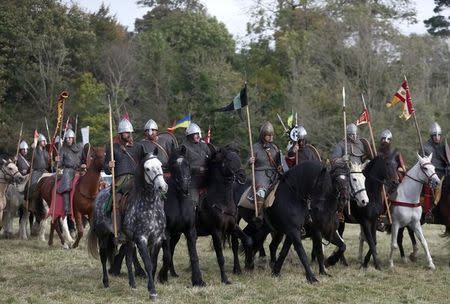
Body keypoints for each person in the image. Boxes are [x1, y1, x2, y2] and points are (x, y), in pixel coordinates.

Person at [104, 117, 137, 242]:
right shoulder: (113, 148)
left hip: (135, 179)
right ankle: (117, 231)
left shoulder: (136, 147)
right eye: (126, 133)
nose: (128, 135)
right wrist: (109, 166)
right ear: (120, 134)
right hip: (120, 180)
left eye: (130, 133)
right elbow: (106, 169)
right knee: (116, 203)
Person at [248, 121, 282, 222]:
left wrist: (280, 166)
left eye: (272, 135)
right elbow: (248, 162)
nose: (271, 137)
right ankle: (259, 215)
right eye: (268, 135)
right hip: (260, 173)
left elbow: (279, 162)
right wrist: (250, 161)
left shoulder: (275, 147)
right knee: (261, 191)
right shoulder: (255, 147)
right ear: (263, 135)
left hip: (274, 174)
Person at [376, 129, 406, 231]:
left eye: (388, 139)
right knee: (381, 196)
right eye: (384, 138)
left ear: (390, 141)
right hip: (383, 181)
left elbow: (403, 167)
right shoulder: (377, 153)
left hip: (395, 180)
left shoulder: (396, 153)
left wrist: (399, 170)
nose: (385, 140)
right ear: (381, 140)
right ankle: (379, 218)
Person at [420, 122, 449, 223]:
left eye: (439, 135)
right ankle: (433, 208)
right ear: (431, 136)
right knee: (439, 186)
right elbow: (424, 165)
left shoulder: (443, 146)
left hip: (445, 173)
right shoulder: (425, 148)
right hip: (432, 175)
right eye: (434, 135)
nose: (437, 137)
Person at [179, 122, 211, 208]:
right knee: (194, 203)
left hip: (207, 179)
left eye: (198, 134)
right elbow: (181, 166)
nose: (198, 136)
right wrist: (196, 169)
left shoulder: (204, 146)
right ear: (190, 136)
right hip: (192, 181)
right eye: (195, 134)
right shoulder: (184, 147)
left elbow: (211, 158)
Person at [56, 129, 83, 218]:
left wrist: (84, 164)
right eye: (67, 138)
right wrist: (57, 161)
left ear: (73, 139)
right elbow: (60, 164)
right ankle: (66, 208)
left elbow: (83, 159)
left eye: (70, 138)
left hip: (79, 169)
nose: (68, 140)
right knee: (66, 186)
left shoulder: (79, 148)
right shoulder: (63, 150)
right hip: (68, 170)